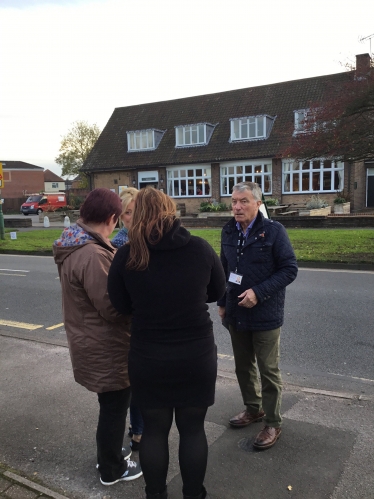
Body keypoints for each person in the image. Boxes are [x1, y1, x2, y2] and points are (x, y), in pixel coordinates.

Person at [107, 187, 226, 499]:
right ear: (170, 211)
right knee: (192, 429)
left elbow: (120, 305)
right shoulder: (200, 249)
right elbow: (217, 291)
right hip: (196, 355)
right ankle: (193, 495)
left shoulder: (126, 255)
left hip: (149, 356)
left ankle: (155, 495)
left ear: (139, 214)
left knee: (155, 431)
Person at [53, 188, 142, 485]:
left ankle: (108, 454)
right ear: (112, 218)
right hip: (108, 347)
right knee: (115, 409)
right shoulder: (92, 254)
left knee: (110, 407)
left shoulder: (75, 243)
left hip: (91, 342)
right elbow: (113, 308)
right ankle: (111, 469)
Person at [217, 182, 298, 450]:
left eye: (243, 201)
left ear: (258, 203)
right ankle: (254, 408)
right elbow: (224, 269)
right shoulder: (228, 230)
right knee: (243, 366)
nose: (237, 207)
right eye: (233, 202)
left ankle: (273, 422)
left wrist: (258, 293)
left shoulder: (274, 231)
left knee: (268, 370)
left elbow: (289, 269)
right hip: (236, 312)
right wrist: (222, 301)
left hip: (265, 313)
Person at [111, 187, 144, 452]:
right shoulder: (118, 246)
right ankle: (137, 431)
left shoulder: (149, 241)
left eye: (135, 211)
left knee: (141, 382)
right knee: (132, 383)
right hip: (128, 325)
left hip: (146, 324)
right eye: (127, 213)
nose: (131, 217)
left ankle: (140, 429)